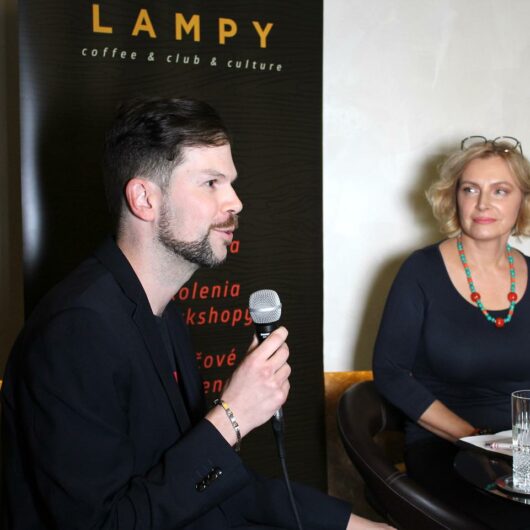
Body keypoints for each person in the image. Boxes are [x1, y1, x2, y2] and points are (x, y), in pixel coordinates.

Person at [1, 97, 393, 530]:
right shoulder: (76, 330)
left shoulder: (163, 312)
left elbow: (209, 484)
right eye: (211, 183)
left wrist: (353, 526)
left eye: (231, 183)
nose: (236, 202)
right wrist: (232, 415)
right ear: (144, 199)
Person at [373, 135, 530, 528]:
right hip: (445, 445)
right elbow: (390, 372)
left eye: (500, 190)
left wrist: (516, 447)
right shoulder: (420, 271)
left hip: (523, 448)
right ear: (454, 197)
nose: (483, 203)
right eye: (470, 189)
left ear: (522, 201)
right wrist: (476, 437)